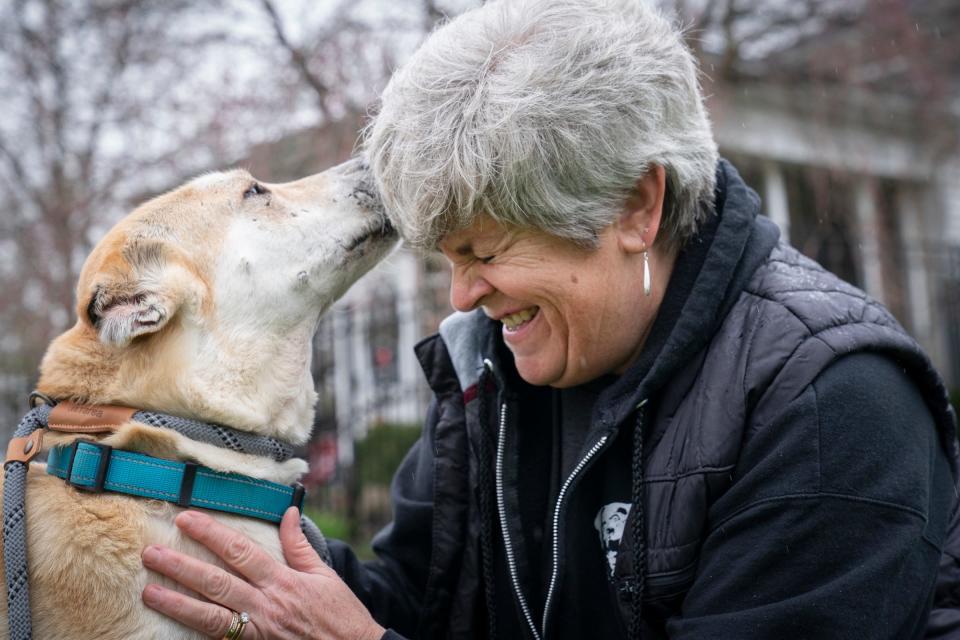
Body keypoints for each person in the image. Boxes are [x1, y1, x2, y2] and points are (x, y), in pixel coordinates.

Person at [140, 0, 960, 638]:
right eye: (446, 260)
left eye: (485, 250)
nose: (463, 298)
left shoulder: (831, 404)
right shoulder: (490, 368)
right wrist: (189, 499)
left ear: (638, 205)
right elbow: (412, 602)